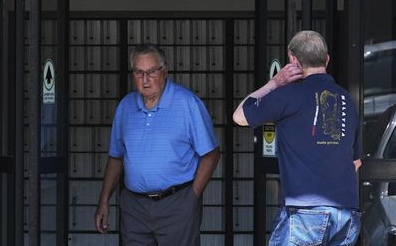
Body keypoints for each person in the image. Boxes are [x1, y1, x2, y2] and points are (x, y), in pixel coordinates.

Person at [233, 31, 361, 246]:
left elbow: (239, 116)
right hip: (347, 214)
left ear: (293, 59)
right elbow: (356, 162)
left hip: (306, 212)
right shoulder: (346, 98)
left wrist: (274, 82)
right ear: (327, 59)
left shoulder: (288, 94)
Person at [94, 44, 220, 246]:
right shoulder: (126, 106)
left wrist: (193, 195)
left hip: (177, 202)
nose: (145, 80)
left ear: (165, 70)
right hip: (134, 206)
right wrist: (103, 201)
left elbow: (211, 154)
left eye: (151, 72)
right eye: (138, 72)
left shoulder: (187, 103)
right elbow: (116, 157)